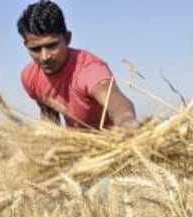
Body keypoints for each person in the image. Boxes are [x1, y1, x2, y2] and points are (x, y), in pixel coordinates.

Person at [17, 0, 136, 129]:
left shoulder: (89, 69)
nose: (44, 57)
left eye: (52, 46)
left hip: (111, 144)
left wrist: (126, 122)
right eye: (35, 49)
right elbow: (49, 115)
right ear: (26, 46)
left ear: (67, 38)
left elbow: (114, 100)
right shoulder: (30, 77)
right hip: (77, 144)